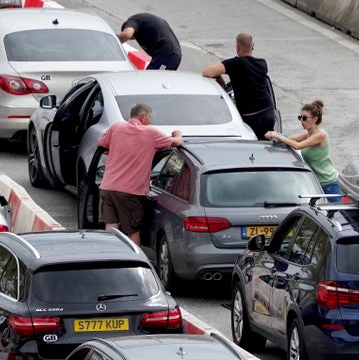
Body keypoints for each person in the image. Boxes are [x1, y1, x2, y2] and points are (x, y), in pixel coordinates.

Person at [97, 103, 183, 245]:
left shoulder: (116, 128)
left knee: (111, 226)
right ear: (142, 117)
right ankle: (133, 261)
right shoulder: (151, 133)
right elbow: (177, 142)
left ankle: (112, 257)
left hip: (108, 187)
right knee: (132, 230)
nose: (150, 121)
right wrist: (177, 133)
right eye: (149, 118)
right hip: (130, 192)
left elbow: (100, 142)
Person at [202, 33, 275, 138]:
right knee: (267, 144)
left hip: (250, 116)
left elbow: (207, 72)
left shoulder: (234, 64)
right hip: (268, 111)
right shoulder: (262, 63)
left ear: (237, 47)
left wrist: (219, 78)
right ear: (252, 46)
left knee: (251, 147)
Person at [264, 100, 340, 202]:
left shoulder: (320, 135)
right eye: (300, 118)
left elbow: (297, 146)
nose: (301, 121)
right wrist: (275, 134)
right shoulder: (309, 134)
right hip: (316, 183)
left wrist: (276, 136)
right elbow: (291, 140)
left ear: (315, 119)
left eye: (304, 118)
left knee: (335, 215)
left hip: (329, 184)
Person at [118, 13, 183, 71]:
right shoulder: (144, 21)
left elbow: (127, 34)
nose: (132, 39)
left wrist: (116, 42)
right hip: (174, 54)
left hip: (166, 55)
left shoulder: (132, 21)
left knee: (149, 80)